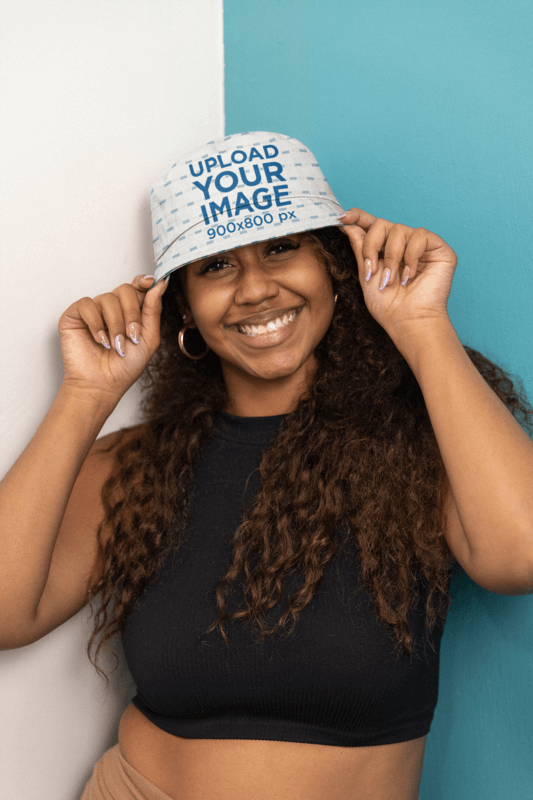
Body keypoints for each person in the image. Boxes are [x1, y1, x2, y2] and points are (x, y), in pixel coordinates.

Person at [1, 131, 533, 800]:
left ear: (336, 269)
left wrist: (420, 321)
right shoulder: (135, 467)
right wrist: (85, 395)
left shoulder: (421, 443)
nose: (254, 289)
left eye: (281, 249)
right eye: (216, 266)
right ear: (182, 305)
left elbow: (520, 557)